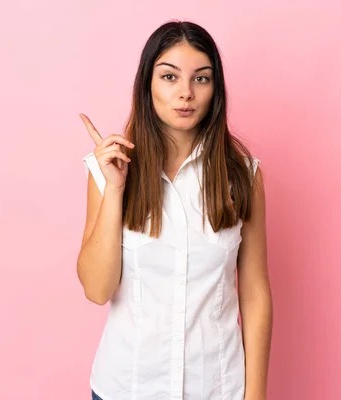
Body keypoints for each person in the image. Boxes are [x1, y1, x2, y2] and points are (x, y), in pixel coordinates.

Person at [77, 20, 272, 400]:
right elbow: (97, 290)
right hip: (126, 388)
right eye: (169, 77)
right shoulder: (108, 171)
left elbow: (255, 292)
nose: (185, 93)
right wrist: (115, 190)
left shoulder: (243, 177)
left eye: (201, 79)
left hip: (216, 388)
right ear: (147, 84)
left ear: (215, 90)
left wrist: (256, 395)